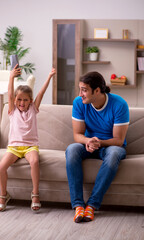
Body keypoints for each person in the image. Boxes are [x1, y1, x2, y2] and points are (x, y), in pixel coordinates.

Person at [66, 71, 129, 223]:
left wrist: (99, 142)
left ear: (97, 90)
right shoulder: (79, 103)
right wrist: (88, 141)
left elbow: (118, 140)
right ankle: (78, 206)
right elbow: (77, 135)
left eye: (84, 90)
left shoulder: (119, 104)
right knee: (72, 149)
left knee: (114, 153)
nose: (80, 94)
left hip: (110, 146)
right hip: (88, 144)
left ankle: (92, 205)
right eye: (80, 89)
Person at [0, 65, 56, 212]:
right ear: (15, 100)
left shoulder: (33, 109)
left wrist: (49, 77)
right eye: (19, 99)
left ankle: (35, 194)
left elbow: (41, 92)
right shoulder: (12, 111)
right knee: (1, 167)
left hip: (30, 147)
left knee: (35, 161)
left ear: (30, 100)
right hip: (14, 147)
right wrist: (11, 77)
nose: (22, 103)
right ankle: (3, 195)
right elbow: (9, 94)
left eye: (25, 100)